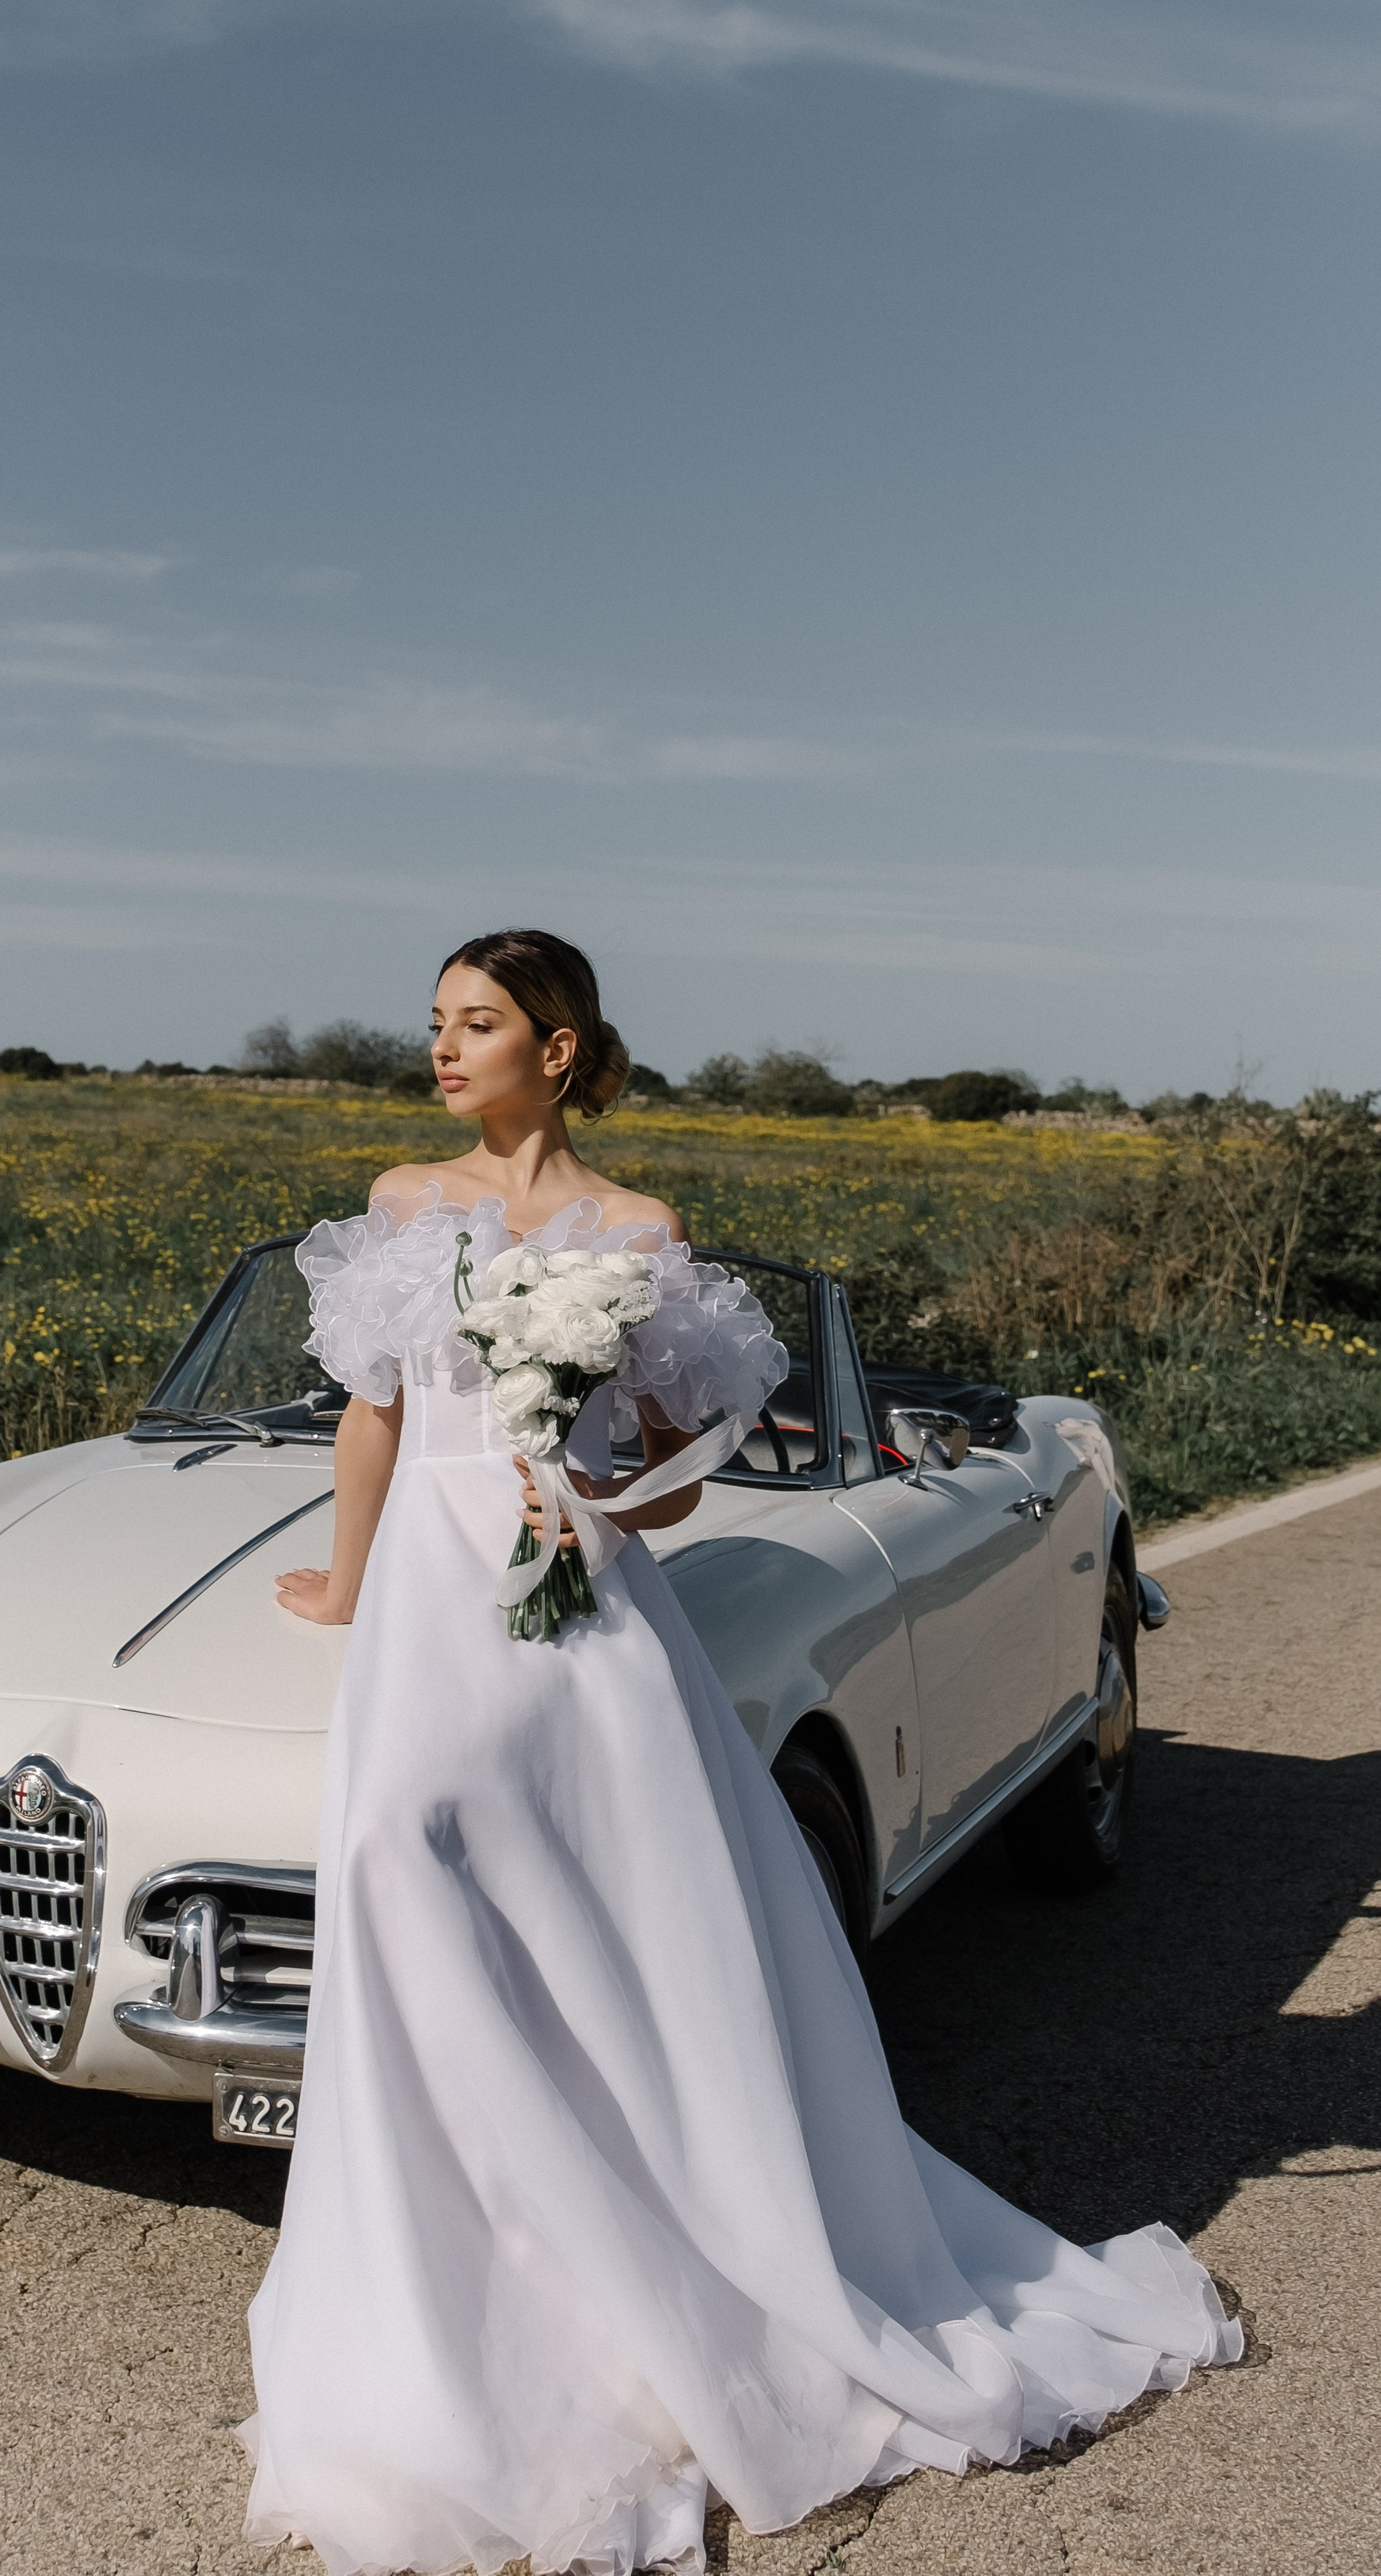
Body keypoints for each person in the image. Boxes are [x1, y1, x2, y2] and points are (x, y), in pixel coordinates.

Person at [243, 927, 1238, 2574]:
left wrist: (593, 1506)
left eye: (475, 1023)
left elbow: (680, 1468)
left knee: (594, 1929)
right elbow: (372, 1413)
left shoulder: (639, 1233)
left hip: (569, 1610)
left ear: (555, 1049)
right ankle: (457, 2268)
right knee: (388, 1857)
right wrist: (346, 1586)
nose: (440, 1048)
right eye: (434, 1023)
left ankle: (643, 2251)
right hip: (420, 1603)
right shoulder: (402, 1198)